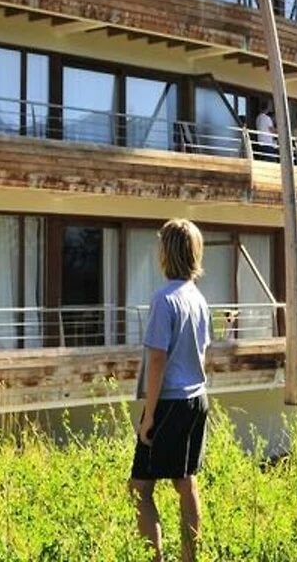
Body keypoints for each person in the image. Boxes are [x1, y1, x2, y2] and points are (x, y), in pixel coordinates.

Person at [129, 219, 212, 562]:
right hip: (197, 400)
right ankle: (189, 558)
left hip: (170, 403)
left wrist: (149, 415)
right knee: (185, 482)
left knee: (139, 488)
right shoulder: (198, 299)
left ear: (167, 253)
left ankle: (157, 559)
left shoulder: (164, 299)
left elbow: (157, 359)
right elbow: (202, 352)